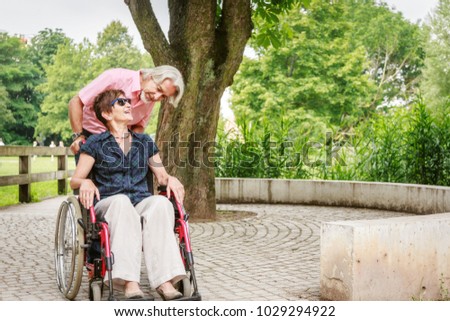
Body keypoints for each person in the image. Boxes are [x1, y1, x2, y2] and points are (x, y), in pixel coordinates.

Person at [70, 89, 186, 300]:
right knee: (122, 202)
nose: (128, 105)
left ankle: (165, 280)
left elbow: (161, 175)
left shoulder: (145, 143)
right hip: (109, 204)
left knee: (160, 203)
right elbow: (75, 180)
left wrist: (171, 179)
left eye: (128, 101)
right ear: (106, 113)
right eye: (121, 102)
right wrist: (85, 181)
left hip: (139, 202)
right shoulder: (96, 144)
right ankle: (129, 282)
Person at [69, 65, 184, 154]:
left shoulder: (150, 97)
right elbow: (76, 102)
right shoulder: (115, 77)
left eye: (163, 96)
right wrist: (78, 137)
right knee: (87, 182)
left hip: (117, 145)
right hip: (89, 137)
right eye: (159, 89)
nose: (157, 97)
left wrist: (128, 146)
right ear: (151, 76)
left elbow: (139, 126)